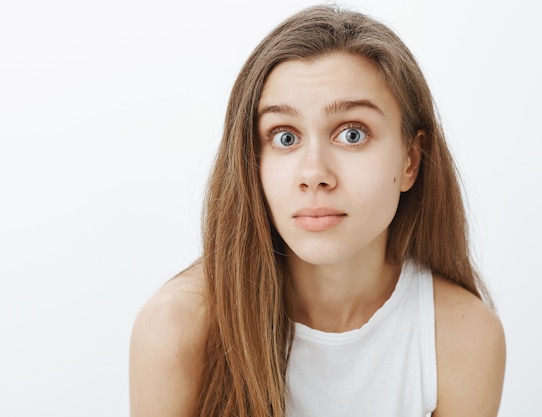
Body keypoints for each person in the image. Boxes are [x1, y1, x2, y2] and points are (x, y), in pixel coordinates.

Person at [129, 5, 506, 417]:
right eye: (285, 137)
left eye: (352, 133)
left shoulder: (463, 336)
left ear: (410, 161)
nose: (314, 174)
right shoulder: (176, 327)